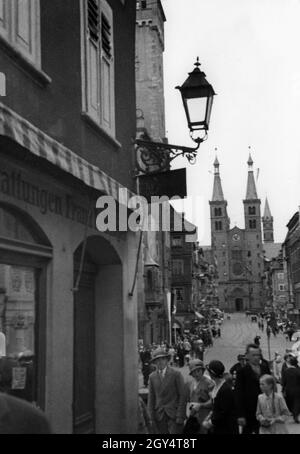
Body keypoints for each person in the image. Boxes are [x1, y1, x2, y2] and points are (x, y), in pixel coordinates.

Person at [147, 347, 186, 434]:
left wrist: (180, 414)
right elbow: (151, 398)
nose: (160, 362)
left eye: (162, 359)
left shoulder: (176, 374)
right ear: (154, 362)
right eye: (157, 360)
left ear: (167, 360)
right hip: (159, 415)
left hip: (174, 414)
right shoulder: (152, 377)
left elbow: (182, 396)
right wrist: (151, 417)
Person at [235, 343, 271, 434]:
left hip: (265, 410)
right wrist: (240, 415)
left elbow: (271, 387)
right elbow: (238, 393)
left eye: (258, 355)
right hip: (249, 411)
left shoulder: (265, 368)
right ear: (247, 356)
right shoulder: (242, 372)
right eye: (253, 355)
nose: (256, 357)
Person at [202, 360, 238, 434]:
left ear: (212, 374)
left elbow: (223, 411)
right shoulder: (217, 385)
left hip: (226, 427)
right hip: (218, 425)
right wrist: (209, 416)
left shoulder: (225, 390)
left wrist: (210, 422)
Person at [185, 359, 214, 434]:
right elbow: (186, 399)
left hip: (205, 416)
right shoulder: (189, 383)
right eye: (194, 372)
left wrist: (201, 405)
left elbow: (213, 401)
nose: (196, 374)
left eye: (198, 371)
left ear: (202, 371)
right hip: (192, 417)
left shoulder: (209, 383)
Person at [281, 355, 300, 423]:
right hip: (297, 390)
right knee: (297, 402)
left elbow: (283, 382)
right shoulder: (298, 371)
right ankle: (296, 414)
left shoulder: (286, 371)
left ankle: (293, 413)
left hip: (288, 390)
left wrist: (283, 390)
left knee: (290, 402)